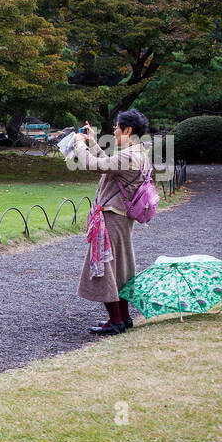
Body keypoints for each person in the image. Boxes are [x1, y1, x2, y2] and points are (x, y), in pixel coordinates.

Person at [68, 108, 152, 335]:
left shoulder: (127, 156)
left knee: (105, 268)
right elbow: (107, 164)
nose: (114, 131)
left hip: (112, 217)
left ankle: (115, 320)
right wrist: (93, 142)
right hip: (122, 218)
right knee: (119, 269)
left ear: (128, 130)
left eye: (116, 127)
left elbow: (93, 165)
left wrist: (78, 143)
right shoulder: (139, 153)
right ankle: (123, 318)